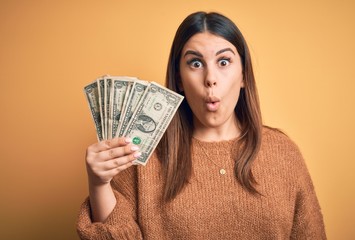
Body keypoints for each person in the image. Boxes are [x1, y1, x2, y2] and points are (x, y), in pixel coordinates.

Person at [77, 11, 326, 239]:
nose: (210, 79)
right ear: (179, 79)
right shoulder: (140, 154)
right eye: (195, 63)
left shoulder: (283, 152)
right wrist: (99, 184)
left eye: (224, 62)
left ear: (244, 76)